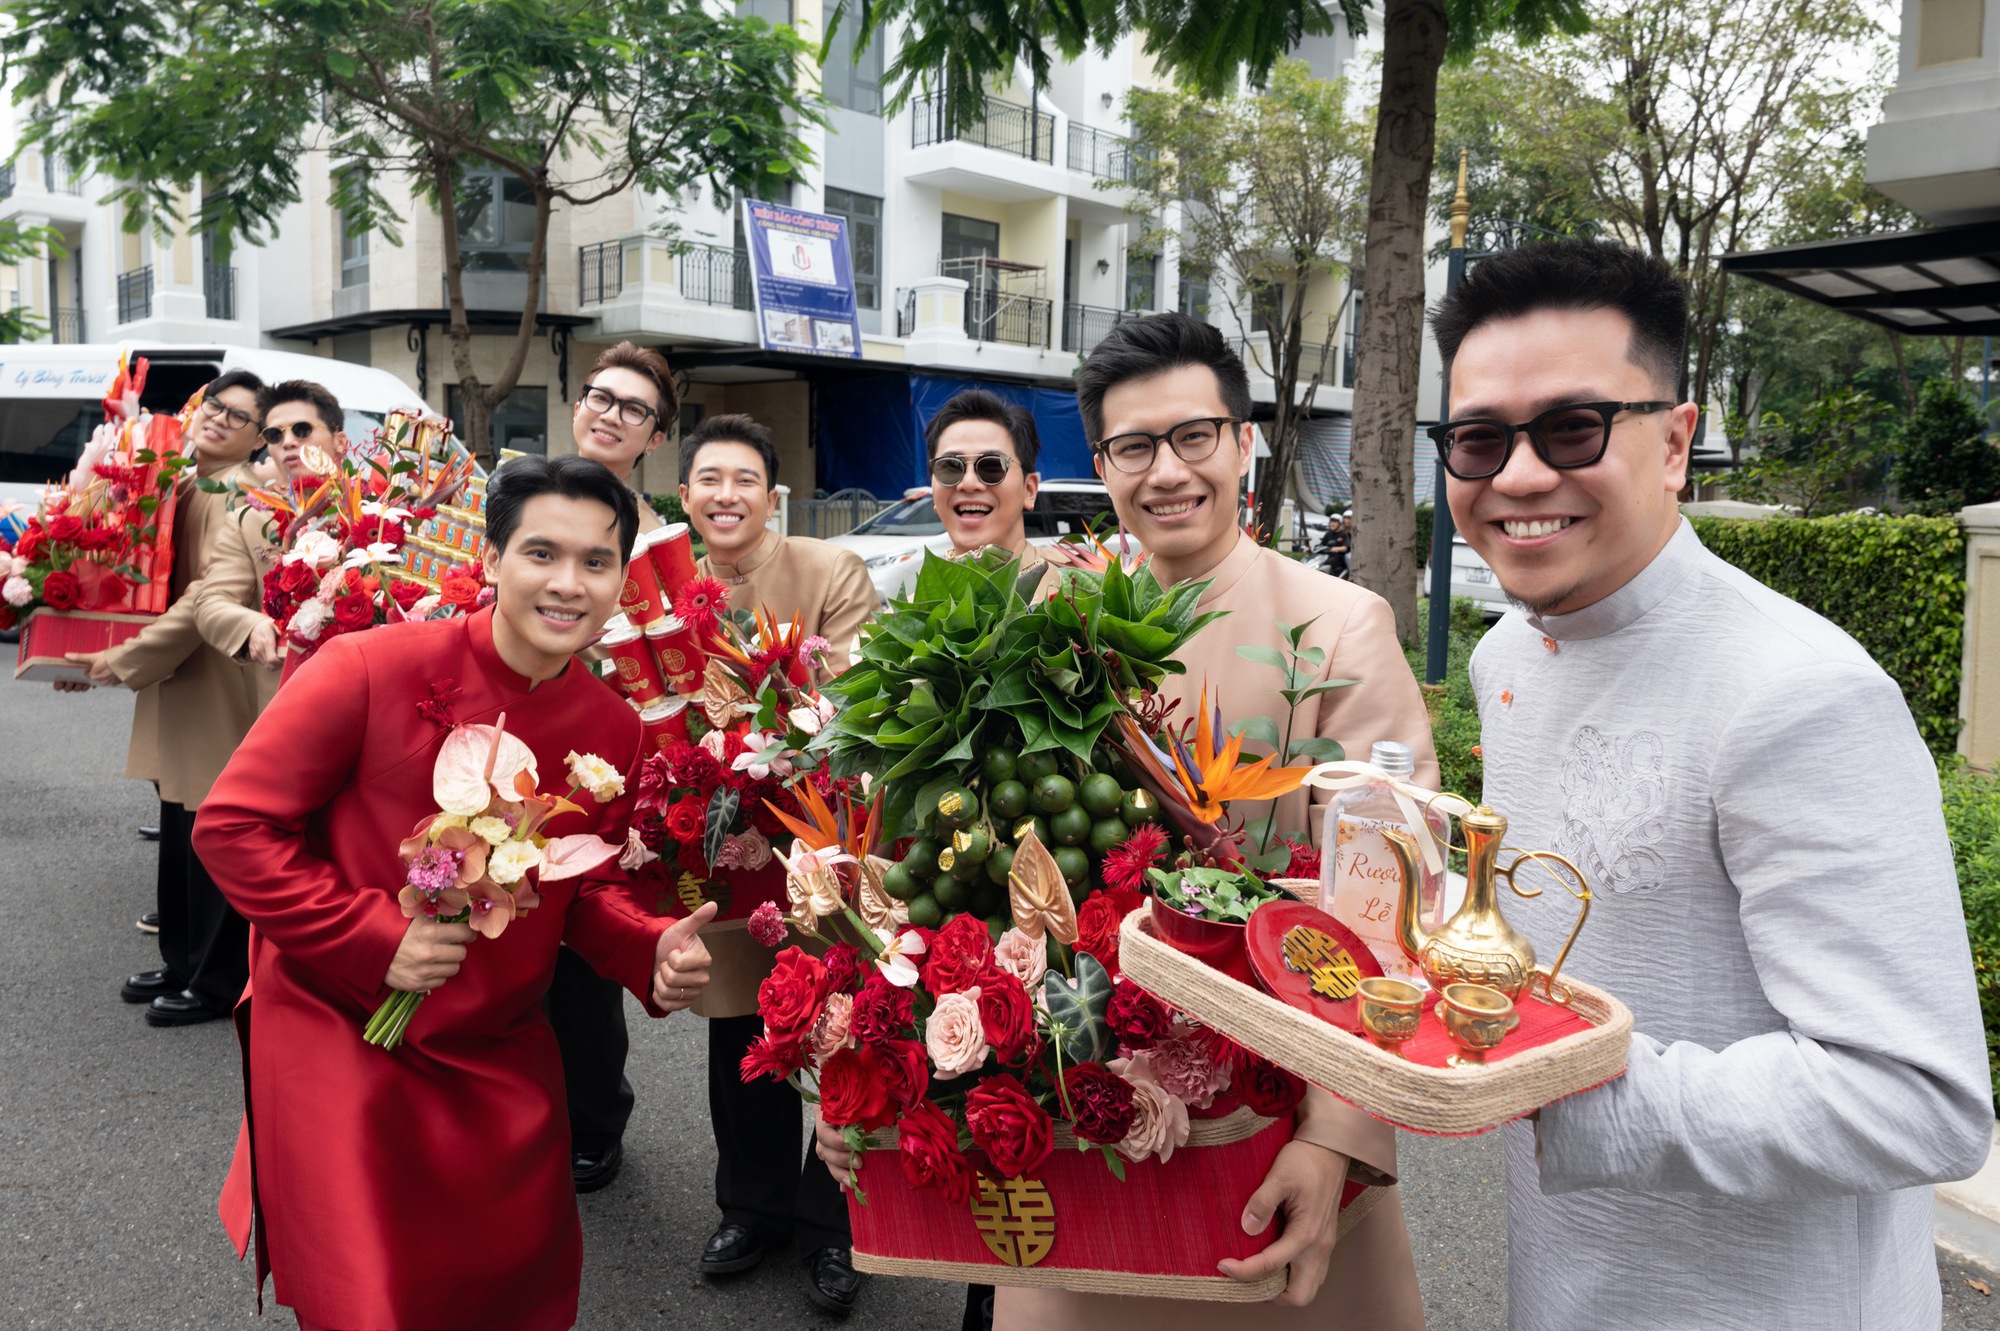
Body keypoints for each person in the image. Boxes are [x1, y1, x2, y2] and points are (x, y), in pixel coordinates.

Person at [816, 314, 1436, 1331]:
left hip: (1271, 1137)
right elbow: (954, 869)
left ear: (1244, 441)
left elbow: (1386, 911)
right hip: (1080, 1128)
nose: (1165, 472)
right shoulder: (1046, 621)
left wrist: (1338, 1137)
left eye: (1193, 436)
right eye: (1131, 447)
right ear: (1100, 463)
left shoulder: (1333, 625)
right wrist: (861, 1075)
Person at [1428, 238, 1991, 1330]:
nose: (1518, 475)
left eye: (1571, 427)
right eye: (1478, 438)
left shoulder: (1798, 690)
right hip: (1560, 1280)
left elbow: (1915, 1097)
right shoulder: (1504, 655)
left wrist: (1560, 1086)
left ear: (1675, 439)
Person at [193, 455, 719, 1331]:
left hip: (496, 1041)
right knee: (373, 1300)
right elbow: (234, 827)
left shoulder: (614, 728)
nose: (568, 583)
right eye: (542, 553)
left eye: (597, 562)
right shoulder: (363, 666)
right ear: (491, 557)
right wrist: (371, 937)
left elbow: (585, 887)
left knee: (510, 1290)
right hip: (342, 1022)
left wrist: (647, 945)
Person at [679, 411, 879, 1316]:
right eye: (709, 480)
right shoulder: (665, 583)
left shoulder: (828, 570)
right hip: (717, 834)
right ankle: (750, 1205)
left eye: (744, 481)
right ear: (684, 495)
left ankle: (837, 1225)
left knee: (840, 1015)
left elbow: (849, 697)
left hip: (821, 827)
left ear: (772, 494)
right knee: (741, 1025)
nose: (726, 496)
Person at [63, 369, 273, 1027]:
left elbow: (198, 603)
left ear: (257, 438)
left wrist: (122, 659)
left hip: (216, 680)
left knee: (210, 831)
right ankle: (184, 960)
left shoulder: (235, 493)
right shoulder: (179, 481)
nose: (218, 418)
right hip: (182, 678)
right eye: (214, 404)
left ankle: (217, 980)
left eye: (238, 417)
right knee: (180, 826)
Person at [550, 340, 681, 1196]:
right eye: (601, 395)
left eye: (632, 408)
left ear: (654, 435)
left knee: (583, 949)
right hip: (506, 736)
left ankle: (595, 1120)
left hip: (605, 756)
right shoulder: (511, 494)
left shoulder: (661, 537)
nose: (609, 413)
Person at [924, 388, 1042, 560]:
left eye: (992, 466)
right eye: (950, 467)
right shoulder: (923, 588)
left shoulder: (1080, 584)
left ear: (1029, 490)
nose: (969, 483)